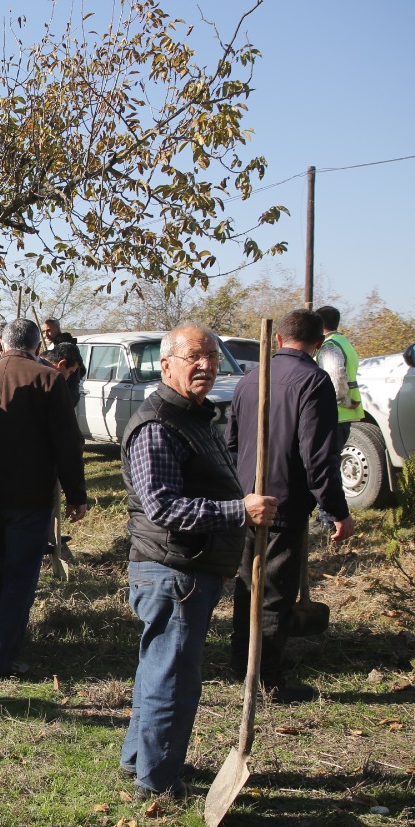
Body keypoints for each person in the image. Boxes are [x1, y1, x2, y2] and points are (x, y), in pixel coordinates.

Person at [121, 324, 278, 799]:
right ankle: (159, 781)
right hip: (175, 573)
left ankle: (138, 762)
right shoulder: (158, 426)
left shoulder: (193, 418)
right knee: (173, 679)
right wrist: (239, 510)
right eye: (194, 356)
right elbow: (164, 506)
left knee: (159, 669)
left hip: (189, 569)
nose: (206, 365)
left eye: (212, 355)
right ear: (166, 364)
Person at [226, 308, 354, 703]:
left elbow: (230, 445)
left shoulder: (250, 380)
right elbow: (318, 456)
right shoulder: (313, 381)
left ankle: (242, 662)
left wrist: (237, 494)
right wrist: (337, 509)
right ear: (318, 344)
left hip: (247, 500)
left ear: (279, 340)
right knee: (275, 592)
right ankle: (267, 678)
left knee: (248, 584)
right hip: (282, 505)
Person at [0, 319, 89, 679]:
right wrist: (76, 494)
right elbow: (67, 442)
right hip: (29, 496)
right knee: (20, 576)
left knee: (1, 572)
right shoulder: (48, 380)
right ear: (36, 345)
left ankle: (7, 642)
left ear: (2, 344)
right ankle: (0, 657)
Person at [315, 305, 364, 446]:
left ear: (320, 324)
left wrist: (342, 400)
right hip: (342, 416)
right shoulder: (344, 342)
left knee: (328, 464)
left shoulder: (329, 346)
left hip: (334, 414)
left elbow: (336, 378)